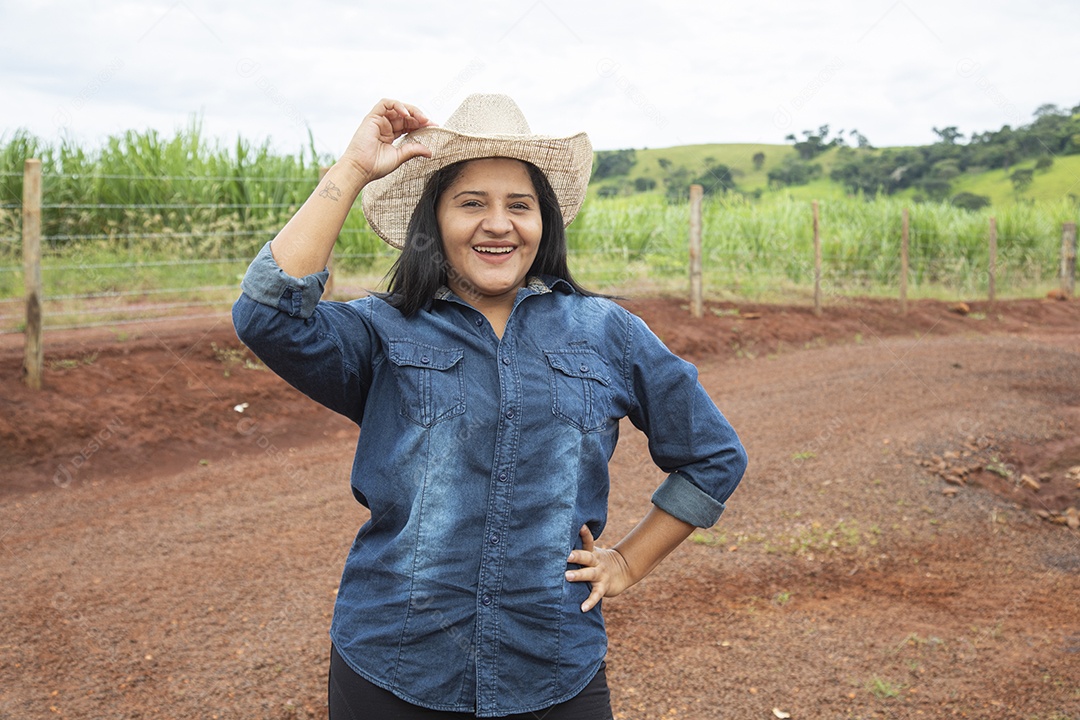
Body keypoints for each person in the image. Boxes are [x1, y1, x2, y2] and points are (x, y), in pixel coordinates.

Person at [232, 94, 747, 719]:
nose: (498, 224)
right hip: (394, 664)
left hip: (553, 666)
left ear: (544, 222)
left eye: (519, 206)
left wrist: (627, 563)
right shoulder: (381, 332)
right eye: (471, 203)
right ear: (434, 221)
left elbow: (713, 456)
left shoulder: (609, 332)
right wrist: (352, 170)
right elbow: (266, 315)